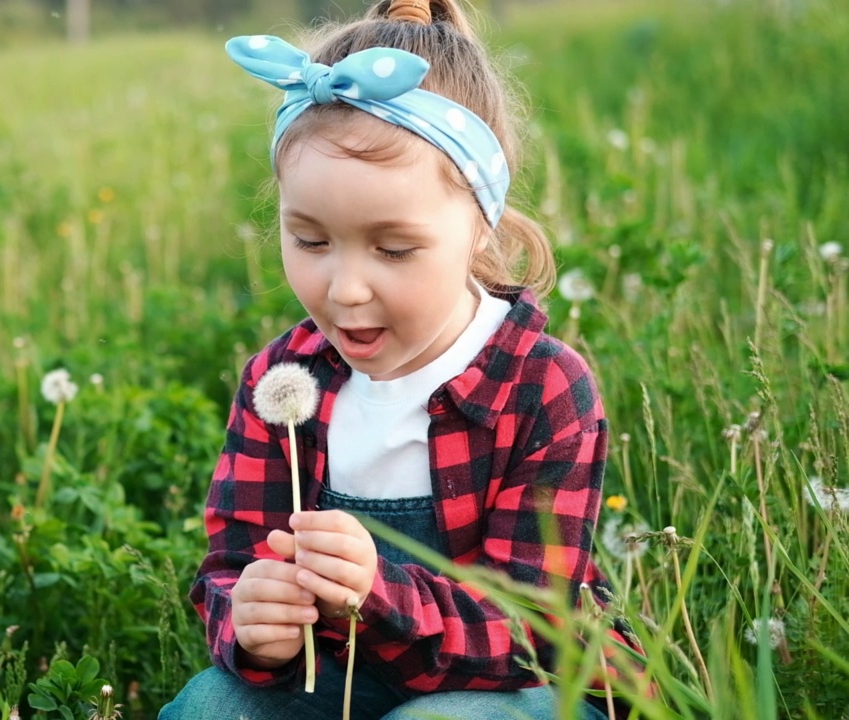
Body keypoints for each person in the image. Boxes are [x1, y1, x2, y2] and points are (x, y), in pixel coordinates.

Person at [159, 1, 644, 718]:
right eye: (311, 241)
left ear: (480, 221)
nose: (345, 288)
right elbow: (230, 566)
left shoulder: (541, 386)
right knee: (211, 706)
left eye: (393, 249)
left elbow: (533, 629)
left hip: (516, 687)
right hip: (339, 677)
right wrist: (252, 626)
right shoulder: (283, 381)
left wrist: (378, 591)